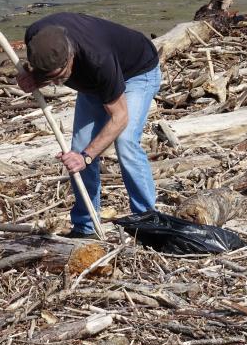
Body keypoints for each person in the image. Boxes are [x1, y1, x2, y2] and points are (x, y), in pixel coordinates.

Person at [17, 12, 161, 239]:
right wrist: (33, 78)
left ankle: (148, 221)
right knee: (77, 149)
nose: (54, 84)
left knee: (125, 143)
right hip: (93, 86)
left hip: (136, 72)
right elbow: (38, 70)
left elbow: (120, 117)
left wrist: (87, 157)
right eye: (49, 79)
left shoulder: (98, 58)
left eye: (59, 77)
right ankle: (86, 227)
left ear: (70, 57)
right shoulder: (36, 38)